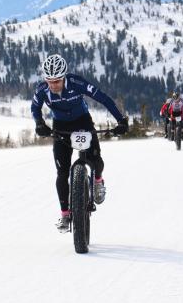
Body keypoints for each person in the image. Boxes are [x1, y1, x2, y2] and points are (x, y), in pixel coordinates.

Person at [31, 54, 129, 232]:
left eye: (58, 81)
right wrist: (39, 123)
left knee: (96, 159)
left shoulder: (77, 83)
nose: (53, 85)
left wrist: (121, 120)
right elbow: (35, 108)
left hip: (82, 121)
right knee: (62, 172)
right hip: (60, 126)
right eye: (50, 81)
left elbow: (103, 98)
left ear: (64, 77)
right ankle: (65, 214)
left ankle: (98, 181)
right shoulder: (42, 90)